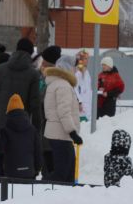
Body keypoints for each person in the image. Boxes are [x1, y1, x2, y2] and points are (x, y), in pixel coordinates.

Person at [0, 38, 42, 142]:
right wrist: (37, 130)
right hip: (21, 125)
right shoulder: (33, 74)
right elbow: (35, 105)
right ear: (31, 53)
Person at [43, 55, 82, 184]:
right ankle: (41, 192)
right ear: (68, 67)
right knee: (62, 174)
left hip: (58, 134)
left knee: (67, 172)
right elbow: (64, 111)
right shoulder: (63, 85)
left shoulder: (56, 83)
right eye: (74, 67)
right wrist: (72, 132)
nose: (76, 70)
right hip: (61, 135)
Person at [0, 94, 42, 180]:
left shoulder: (5, 130)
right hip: (29, 172)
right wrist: (37, 168)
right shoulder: (32, 129)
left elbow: (0, 151)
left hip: (11, 173)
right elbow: (38, 151)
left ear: (8, 111)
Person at [36, 45, 61, 178]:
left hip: (48, 128)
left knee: (48, 160)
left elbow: (42, 99)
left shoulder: (52, 79)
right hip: (46, 129)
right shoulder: (44, 76)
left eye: (43, 61)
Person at [74, 49, 92, 122]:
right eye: (85, 58)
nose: (87, 60)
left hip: (87, 103)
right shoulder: (78, 72)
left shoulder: (86, 71)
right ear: (80, 59)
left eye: (88, 58)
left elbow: (87, 88)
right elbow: (74, 88)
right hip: (81, 106)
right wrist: (79, 102)